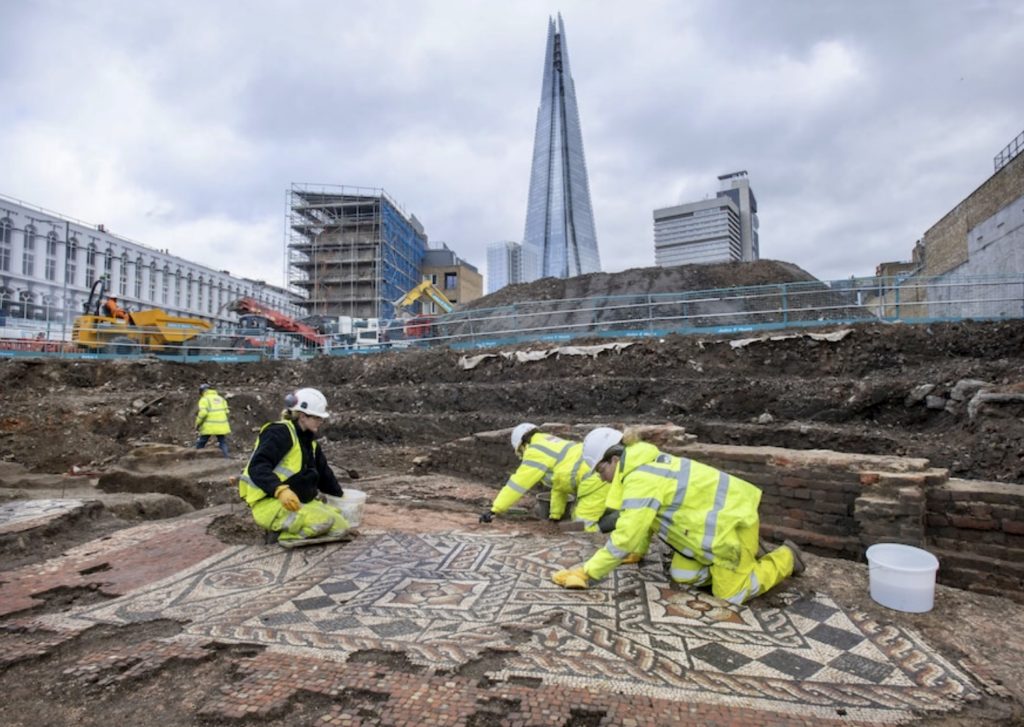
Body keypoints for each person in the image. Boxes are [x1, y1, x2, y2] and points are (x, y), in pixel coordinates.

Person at [552, 427, 805, 604]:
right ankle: (740, 560)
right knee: (683, 576)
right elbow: (646, 520)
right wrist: (637, 552)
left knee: (731, 595)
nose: (599, 477)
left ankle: (785, 558)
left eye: (600, 470)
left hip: (732, 526)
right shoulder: (642, 466)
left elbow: (626, 535)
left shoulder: (641, 478)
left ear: (615, 459)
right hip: (709, 532)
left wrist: (587, 572)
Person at [237, 387, 350, 548]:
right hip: (271, 502)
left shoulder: (310, 443)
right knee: (323, 521)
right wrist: (279, 490)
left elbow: (325, 476)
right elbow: (258, 466)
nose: (320, 421)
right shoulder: (279, 433)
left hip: (300, 502)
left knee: (342, 526)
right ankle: (284, 537)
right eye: (317, 417)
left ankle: (303, 528)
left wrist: (342, 497)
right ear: (303, 416)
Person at [479, 423, 611, 531]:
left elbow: (517, 485)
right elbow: (559, 486)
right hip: (602, 470)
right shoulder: (551, 443)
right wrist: (555, 516)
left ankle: (614, 531)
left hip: (596, 477)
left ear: (521, 446)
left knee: (581, 528)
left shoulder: (535, 452)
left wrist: (495, 510)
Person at [194, 383, 231, 457]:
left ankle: (195, 456)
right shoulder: (220, 398)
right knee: (222, 442)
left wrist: (197, 423)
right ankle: (226, 458)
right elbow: (227, 412)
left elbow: (203, 413)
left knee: (202, 441)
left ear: (201, 392)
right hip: (222, 425)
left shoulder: (204, 400)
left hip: (209, 425)